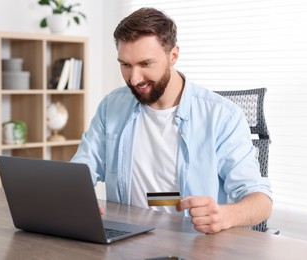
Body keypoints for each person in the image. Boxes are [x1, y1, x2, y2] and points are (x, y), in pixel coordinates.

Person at [71, 7, 272, 234]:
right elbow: (81, 170)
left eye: (145, 64)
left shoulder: (222, 116)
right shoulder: (112, 106)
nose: (134, 79)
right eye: (125, 65)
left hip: (193, 245)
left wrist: (226, 215)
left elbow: (261, 201)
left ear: (173, 55)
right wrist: (73, 197)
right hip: (125, 241)